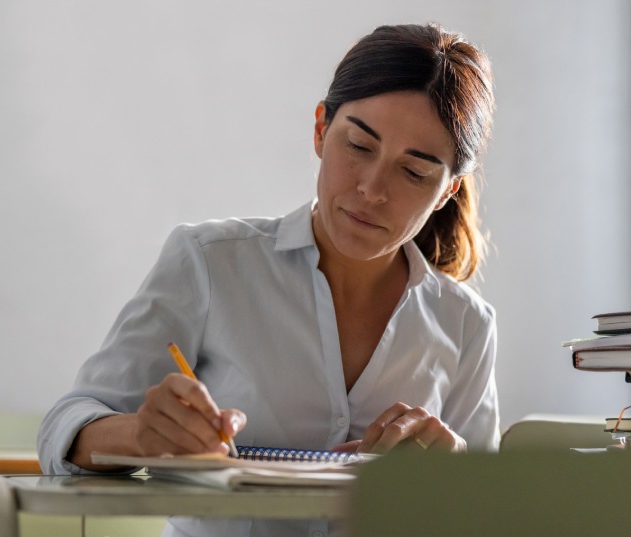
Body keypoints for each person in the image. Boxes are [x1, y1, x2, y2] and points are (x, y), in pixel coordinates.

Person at [37, 22, 499, 537]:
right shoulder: (211, 264)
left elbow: (485, 515)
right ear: (321, 130)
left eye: (414, 173)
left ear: (446, 192)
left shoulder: (466, 325)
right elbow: (64, 427)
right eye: (359, 146)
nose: (373, 189)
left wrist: (455, 469)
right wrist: (140, 436)